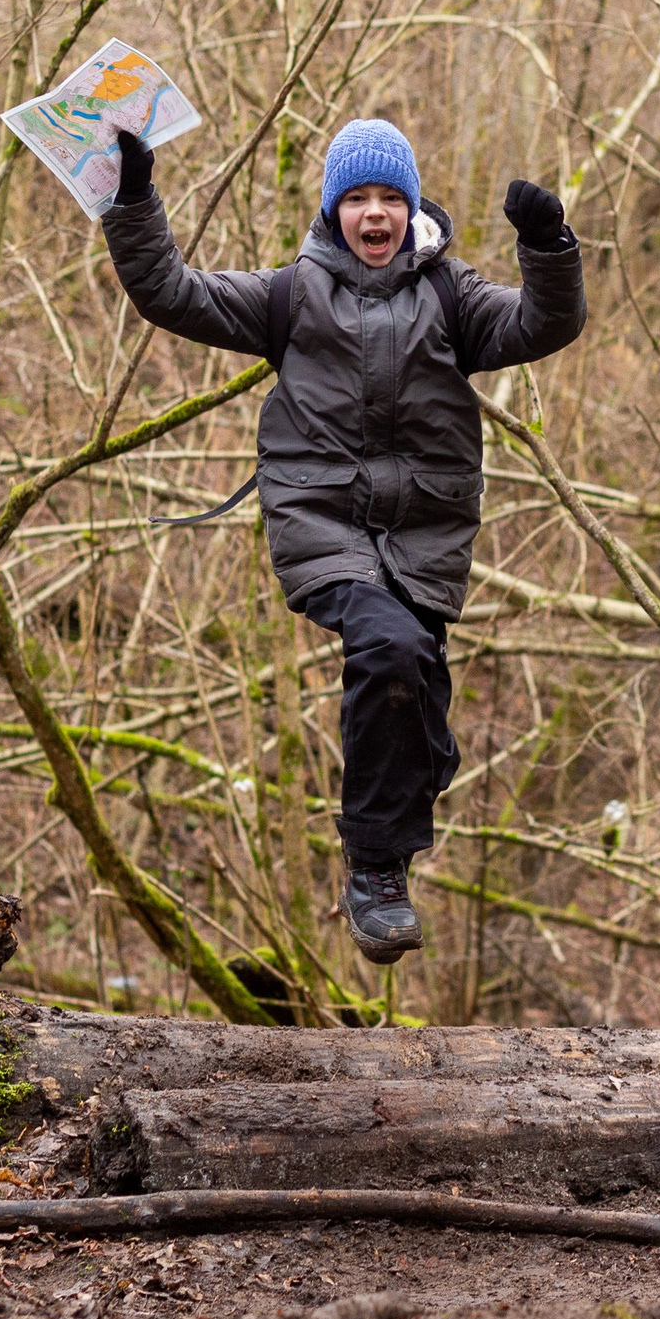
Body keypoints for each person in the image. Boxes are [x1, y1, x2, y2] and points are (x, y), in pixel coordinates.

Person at [101, 118, 585, 964]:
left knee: (413, 679)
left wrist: (548, 246)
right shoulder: (291, 294)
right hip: (320, 525)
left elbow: (544, 326)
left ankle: (399, 816)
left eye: (389, 199)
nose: (373, 214)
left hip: (426, 538)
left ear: (411, 208)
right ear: (332, 209)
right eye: (356, 198)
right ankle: (374, 871)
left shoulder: (453, 297)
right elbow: (169, 293)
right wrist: (134, 196)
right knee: (391, 648)